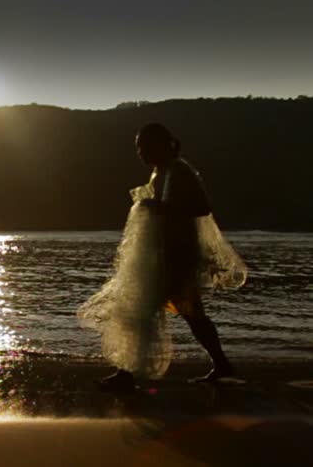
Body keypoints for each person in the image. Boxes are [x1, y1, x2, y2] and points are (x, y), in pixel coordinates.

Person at [78, 123, 247, 391]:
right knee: (161, 312)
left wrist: (159, 208)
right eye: (138, 148)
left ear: (161, 145)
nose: (140, 153)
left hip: (177, 258)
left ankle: (127, 375)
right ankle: (218, 363)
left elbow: (202, 207)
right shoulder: (162, 172)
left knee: (148, 310)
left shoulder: (180, 171)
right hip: (164, 256)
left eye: (144, 147)